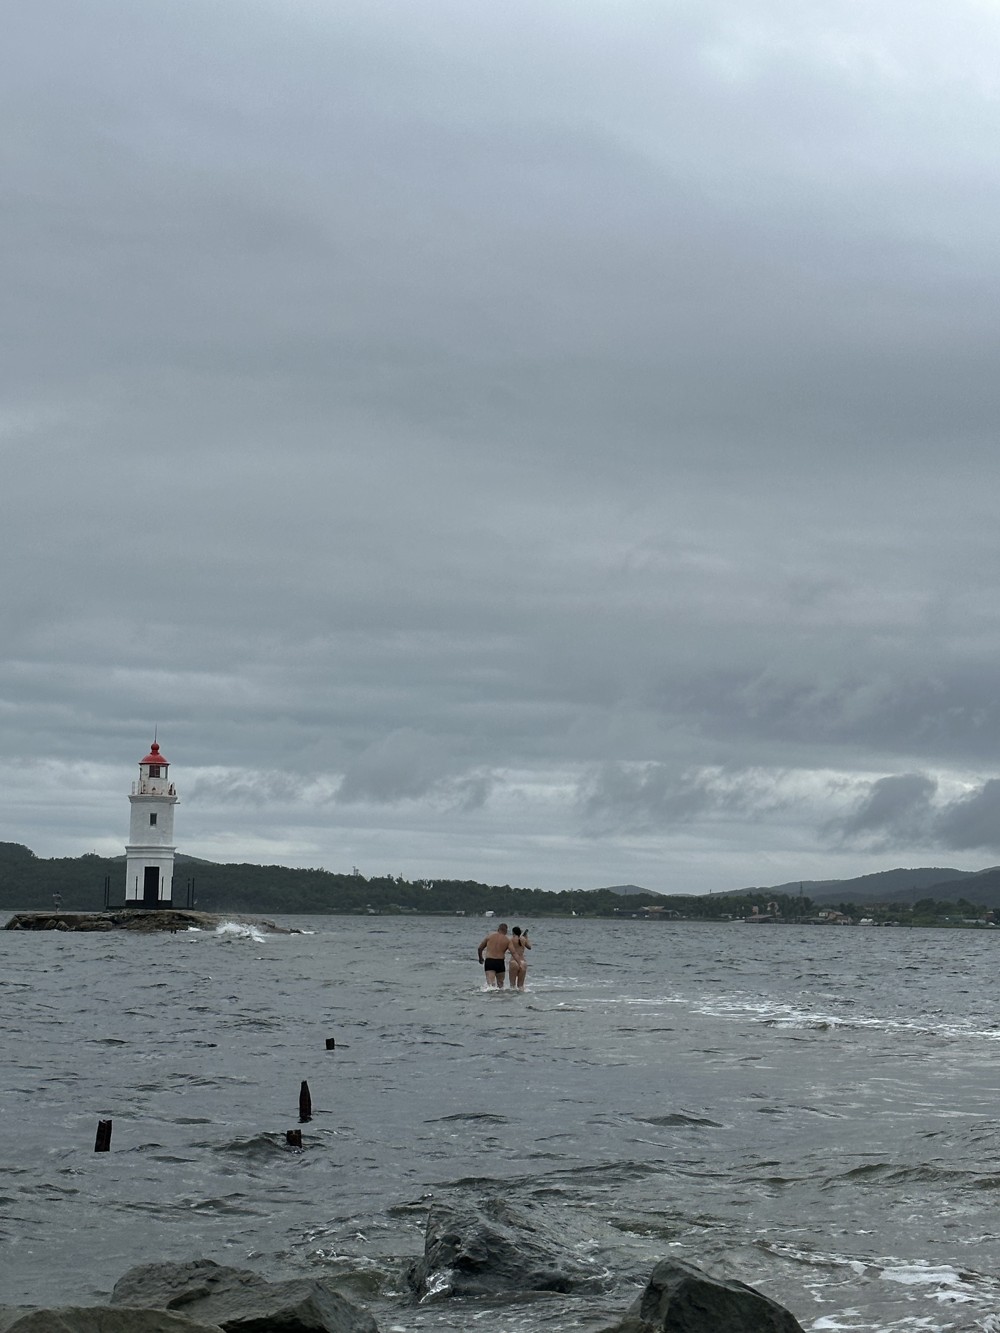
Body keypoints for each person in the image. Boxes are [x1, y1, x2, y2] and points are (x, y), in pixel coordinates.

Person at [477, 922, 512, 988]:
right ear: (506, 931)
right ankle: (500, 997)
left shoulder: (489, 936)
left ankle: (491, 997)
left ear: (498, 929)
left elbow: (480, 948)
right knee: (500, 984)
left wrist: (480, 958)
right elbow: (513, 952)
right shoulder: (507, 940)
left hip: (490, 961)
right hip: (500, 962)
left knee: (490, 984)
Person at [507, 926, 531, 990]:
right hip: (523, 962)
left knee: (512, 986)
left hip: (513, 961)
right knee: (521, 986)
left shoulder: (511, 939)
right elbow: (529, 947)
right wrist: (526, 937)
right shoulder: (523, 939)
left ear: (513, 932)